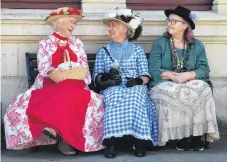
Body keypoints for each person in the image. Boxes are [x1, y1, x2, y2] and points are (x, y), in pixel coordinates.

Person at [3, 7, 104, 155]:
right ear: (58, 22)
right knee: (62, 93)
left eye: (74, 23)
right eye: (70, 22)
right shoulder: (46, 42)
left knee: (71, 92)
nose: (73, 26)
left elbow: (84, 67)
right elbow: (44, 67)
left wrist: (73, 71)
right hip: (52, 81)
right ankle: (61, 136)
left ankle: (58, 134)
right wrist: (57, 72)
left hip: (75, 81)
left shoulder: (77, 43)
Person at [148, 6, 220, 151]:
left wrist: (187, 75)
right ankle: (179, 137)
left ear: (185, 25)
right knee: (173, 92)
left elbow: (204, 69)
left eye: (174, 21)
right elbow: (153, 69)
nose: (169, 24)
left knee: (202, 89)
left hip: (189, 80)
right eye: (169, 21)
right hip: (164, 81)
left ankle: (196, 136)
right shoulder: (160, 43)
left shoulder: (196, 45)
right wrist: (172, 76)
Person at [93, 8, 158, 158]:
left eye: (113, 26)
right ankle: (111, 143)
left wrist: (138, 81)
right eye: (109, 26)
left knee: (136, 95)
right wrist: (106, 77)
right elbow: (96, 77)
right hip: (113, 85)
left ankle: (139, 141)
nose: (110, 29)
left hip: (133, 84)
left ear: (125, 29)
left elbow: (145, 75)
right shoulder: (104, 51)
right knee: (113, 95)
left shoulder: (137, 50)